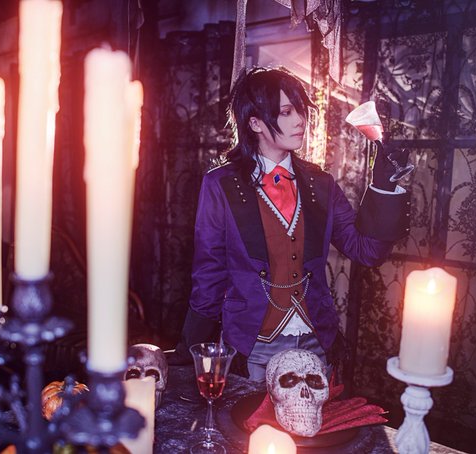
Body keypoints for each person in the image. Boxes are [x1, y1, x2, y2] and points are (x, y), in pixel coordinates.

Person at [168, 67, 410, 383]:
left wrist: (384, 187)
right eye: (286, 112)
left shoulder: (321, 183)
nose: (300, 120)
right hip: (253, 346)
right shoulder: (221, 184)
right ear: (254, 123)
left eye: (300, 110)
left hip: (316, 342)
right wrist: (189, 351)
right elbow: (209, 275)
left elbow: (366, 251)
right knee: (252, 417)